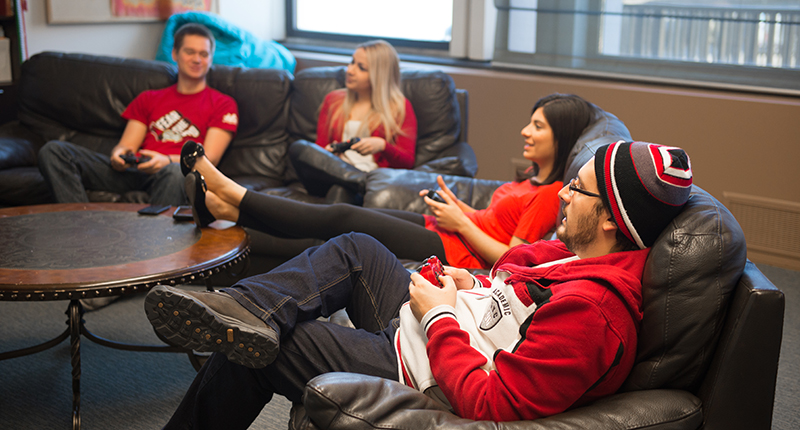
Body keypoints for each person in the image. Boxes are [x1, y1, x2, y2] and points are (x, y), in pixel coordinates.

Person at [145, 140, 694, 427]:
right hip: (437, 330)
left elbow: (491, 402)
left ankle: (240, 322)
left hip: (430, 373)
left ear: (610, 220)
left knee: (273, 345)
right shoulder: (572, 255)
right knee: (357, 246)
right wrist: (470, 282)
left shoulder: (594, 316)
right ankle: (236, 307)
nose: (564, 197)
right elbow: (513, 297)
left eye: (578, 190)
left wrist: (439, 316)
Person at [183, 93, 594, 269]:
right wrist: (459, 207)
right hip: (450, 231)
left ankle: (232, 193)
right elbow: (495, 220)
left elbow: (510, 260)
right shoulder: (529, 181)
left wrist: (462, 223)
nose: (525, 131)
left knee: (341, 216)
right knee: (333, 225)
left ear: (560, 137)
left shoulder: (547, 197)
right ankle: (223, 210)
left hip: (456, 253)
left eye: (537, 127)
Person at [37, 23, 238, 207]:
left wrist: (166, 160)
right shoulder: (148, 98)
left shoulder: (223, 104)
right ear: (175, 54)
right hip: (136, 170)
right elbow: (127, 145)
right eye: (190, 52)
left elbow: (209, 159)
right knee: (53, 151)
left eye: (204, 54)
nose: (197, 59)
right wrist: (119, 155)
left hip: (174, 171)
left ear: (211, 58)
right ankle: (78, 226)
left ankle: (160, 242)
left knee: (175, 173)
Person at [288, 39, 417, 203]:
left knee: (341, 191)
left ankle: (361, 183)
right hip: (334, 173)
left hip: (371, 179)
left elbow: (408, 163)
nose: (350, 70)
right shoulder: (333, 101)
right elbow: (320, 147)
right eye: (352, 62)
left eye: (361, 68)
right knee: (299, 148)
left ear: (379, 75)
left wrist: (383, 146)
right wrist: (328, 154)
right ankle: (362, 183)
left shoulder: (399, 107)